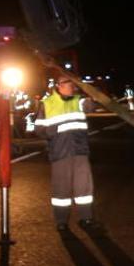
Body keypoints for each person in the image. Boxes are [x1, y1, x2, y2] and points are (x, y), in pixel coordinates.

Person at [33, 74, 99, 231]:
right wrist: (57, 130)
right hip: (60, 153)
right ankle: (61, 221)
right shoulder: (47, 104)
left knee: (84, 188)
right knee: (61, 190)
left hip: (80, 151)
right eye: (69, 84)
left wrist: (88, 89)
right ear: (59, 85)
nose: (72, 87)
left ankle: (86, 219)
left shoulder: (79, 101)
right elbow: (39, 130)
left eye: (74, 85)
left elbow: (93, 104)